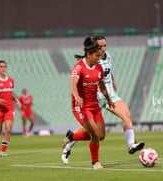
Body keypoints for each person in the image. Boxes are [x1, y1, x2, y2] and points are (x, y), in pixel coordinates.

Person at [61, 35, 145, 164]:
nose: (103, 49)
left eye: (105, 46)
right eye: (100, 46)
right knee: (92, 131)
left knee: (127, 115)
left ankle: (131, 145)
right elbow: (80, 78)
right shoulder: (91, 59)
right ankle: (69, 145)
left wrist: (113, 80)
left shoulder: (107, 56)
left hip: (109, 93)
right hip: (94, 96)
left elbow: (107, 71)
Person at [62, 36, 115, 169]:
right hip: (81, 107)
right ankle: (95, 162)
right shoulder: (79, 67)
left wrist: (108, 98)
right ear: (89, 54)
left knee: (101, 136)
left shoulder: (98, 68)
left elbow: (102, 85)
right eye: (97, 55)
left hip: (94, 106)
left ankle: (72, 136)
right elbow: (73, 83)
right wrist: (77, 96)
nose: (99, 58)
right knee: (95, 135)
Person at [0, 60, 21, 157]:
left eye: (5, 66)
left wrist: (17, 100)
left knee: (8, 129)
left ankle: (2, 152)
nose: (3, 68)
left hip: (9, 109)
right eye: (1, 67)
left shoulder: (11, 80)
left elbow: (10, 94)